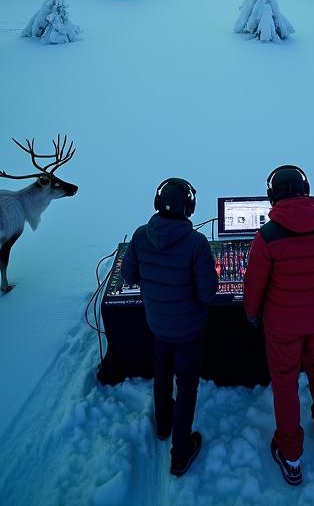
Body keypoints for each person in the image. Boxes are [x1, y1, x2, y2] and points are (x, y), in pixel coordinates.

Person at [243, 165, 314, 486]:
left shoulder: (265, 237)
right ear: (305, 191)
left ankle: (291, 455)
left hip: (282, 325)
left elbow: (254, 285)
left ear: (273, 196)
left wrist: (251, 312)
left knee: (285, 382)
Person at [121, 177, 218, 477]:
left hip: (158, 325)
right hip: (190, 330)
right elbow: (209, 294)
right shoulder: (197, 244)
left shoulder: (139, 236)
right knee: (187, 385)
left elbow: (128, 277)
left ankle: (163, 424)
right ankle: (180, 453)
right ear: (189, 207)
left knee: (162, 371)